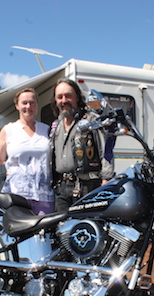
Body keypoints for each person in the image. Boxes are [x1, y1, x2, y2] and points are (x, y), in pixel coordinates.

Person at [0, 87, 54, 215]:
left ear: (37, 105)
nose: (28, 106)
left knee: (45, 233)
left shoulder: (46, 130)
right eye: (24, 103)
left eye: (32, 103)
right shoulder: (8, 130)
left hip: (44, 195)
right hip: (16, 195)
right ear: (17, 105)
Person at [49, 78, 115, 212]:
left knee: (86, 228)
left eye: (68, 96)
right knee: (62, 230)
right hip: (62, 189)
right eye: (59, 97)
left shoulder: (91, 120)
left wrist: (105, 181)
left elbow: (106, 149)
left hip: (87, 186)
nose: (64, 100)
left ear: (77, 97)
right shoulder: (56, 126)